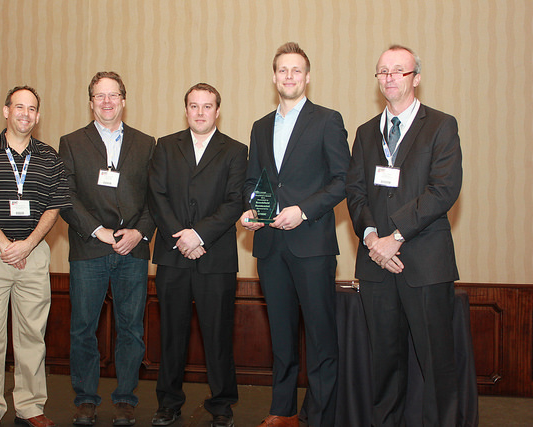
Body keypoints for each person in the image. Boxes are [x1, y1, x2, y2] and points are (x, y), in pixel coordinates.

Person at [346, 45, 462, 426]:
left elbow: (443, 190)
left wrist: (395, 236)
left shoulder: (441, 125)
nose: (390, 77)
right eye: (383, 71)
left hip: (424, 263)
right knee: (384, 364)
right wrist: (371, 237)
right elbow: (356, 192)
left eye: (399, 70)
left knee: (437, 364)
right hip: (376, 266)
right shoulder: (365, 132)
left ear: (416, 77)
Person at [241, 42, 350, 427]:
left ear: (308, 76)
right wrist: (253, 209)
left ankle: (319, 416)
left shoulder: (327, 120)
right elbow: (254, 181)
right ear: (274, 77)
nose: (289, 76)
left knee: (320, 336)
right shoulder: (259, 126)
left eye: (296, 70)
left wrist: (302, 211)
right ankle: (282, 409)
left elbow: (342, 181)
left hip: (312, 244)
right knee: (282, 335)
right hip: (270, 246)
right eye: (283, 70)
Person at [0, 86, 70, 427]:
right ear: (6, 111)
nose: (25, 113)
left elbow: (54, 206)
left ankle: (30, 406)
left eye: (32, 108)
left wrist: (28, 243)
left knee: (32, 336)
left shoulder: (49, 156)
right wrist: (6, 243)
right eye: (19, 106)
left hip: (34, 254)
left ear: (38, 115)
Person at [59, 71, 156, 426]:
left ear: (124, 101)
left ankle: (126, 400)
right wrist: (98, 231)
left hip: (133, 251)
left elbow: (155, 198)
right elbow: (65, 196)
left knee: (131, 329)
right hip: (89, 249)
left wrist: (140, 233)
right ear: (90, 102)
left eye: (113, 95)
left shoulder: (147, 144)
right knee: (83, 328)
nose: (107, 102)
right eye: (99, 96)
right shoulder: (70, 142)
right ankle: (85, 399)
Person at [148, 83, 247, 427]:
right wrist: (182, 237)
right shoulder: (165, 146)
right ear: (186, 109)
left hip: (215, 256)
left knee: (218, 335)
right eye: (194, 106)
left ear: (218, 111)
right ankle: (168, 403)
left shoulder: (236, 150)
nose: (200, 112)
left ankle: (221, 406)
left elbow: (235, 200)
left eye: (207, 106)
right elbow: (156, 195)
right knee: (171, 334)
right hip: (173, 254)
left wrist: (200, 234)